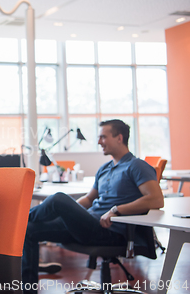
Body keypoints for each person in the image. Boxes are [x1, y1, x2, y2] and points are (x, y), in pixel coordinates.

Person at [21, 119, 164, 293]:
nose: (99, 142)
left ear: (119, 138)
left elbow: (156, 199)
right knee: (29, 229)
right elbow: (88, 200)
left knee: (58, 198)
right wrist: (66, 213)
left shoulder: (137, 166)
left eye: (103, 137)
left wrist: (116, 210)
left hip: (111, 232)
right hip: (89, 226)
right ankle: (28, 291)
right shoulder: (105, 169)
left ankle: (16, 220)